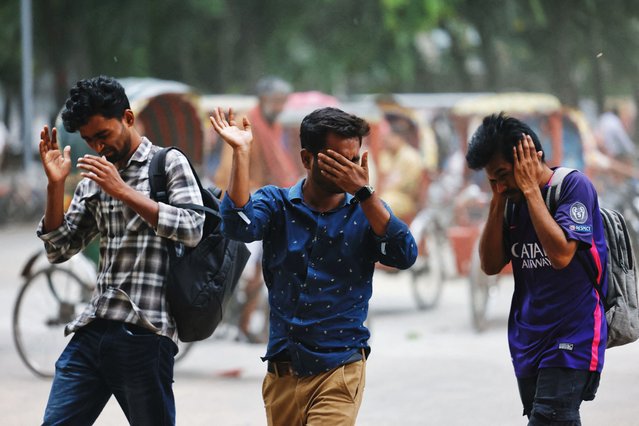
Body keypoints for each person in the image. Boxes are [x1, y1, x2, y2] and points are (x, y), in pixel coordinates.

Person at [210, 106, 417, 425]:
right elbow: (238, 226)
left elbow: (405, 254)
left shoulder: (367, 211)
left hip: (340, 368)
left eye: (353, 160)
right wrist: (241, 153)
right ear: (308, 159)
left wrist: (364, 193)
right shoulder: (276, 204)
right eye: (336, 160)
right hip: (282, 372)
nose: (347, 169)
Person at [36, 76, 204, 425]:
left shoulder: (168, 164)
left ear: (128, 118)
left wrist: (124, 190)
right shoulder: (93, 178)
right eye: (88, 141)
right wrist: (54, 187)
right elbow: (60, 249)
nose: (98, 148)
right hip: (93, 329)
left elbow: (192, 228)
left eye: (103, 136)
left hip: (145, 333)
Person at [466, 113, 607, 425]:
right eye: (493, 179)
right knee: (548, 418)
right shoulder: (508, 198)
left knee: (549, 418)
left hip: (574, 333)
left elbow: (560, 255)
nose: (501, 185)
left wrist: (531, 191)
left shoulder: (572, 187)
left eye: (504, 174)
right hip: (528, 337)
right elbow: (489, 265)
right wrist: (497, 201)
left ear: (530, 157)